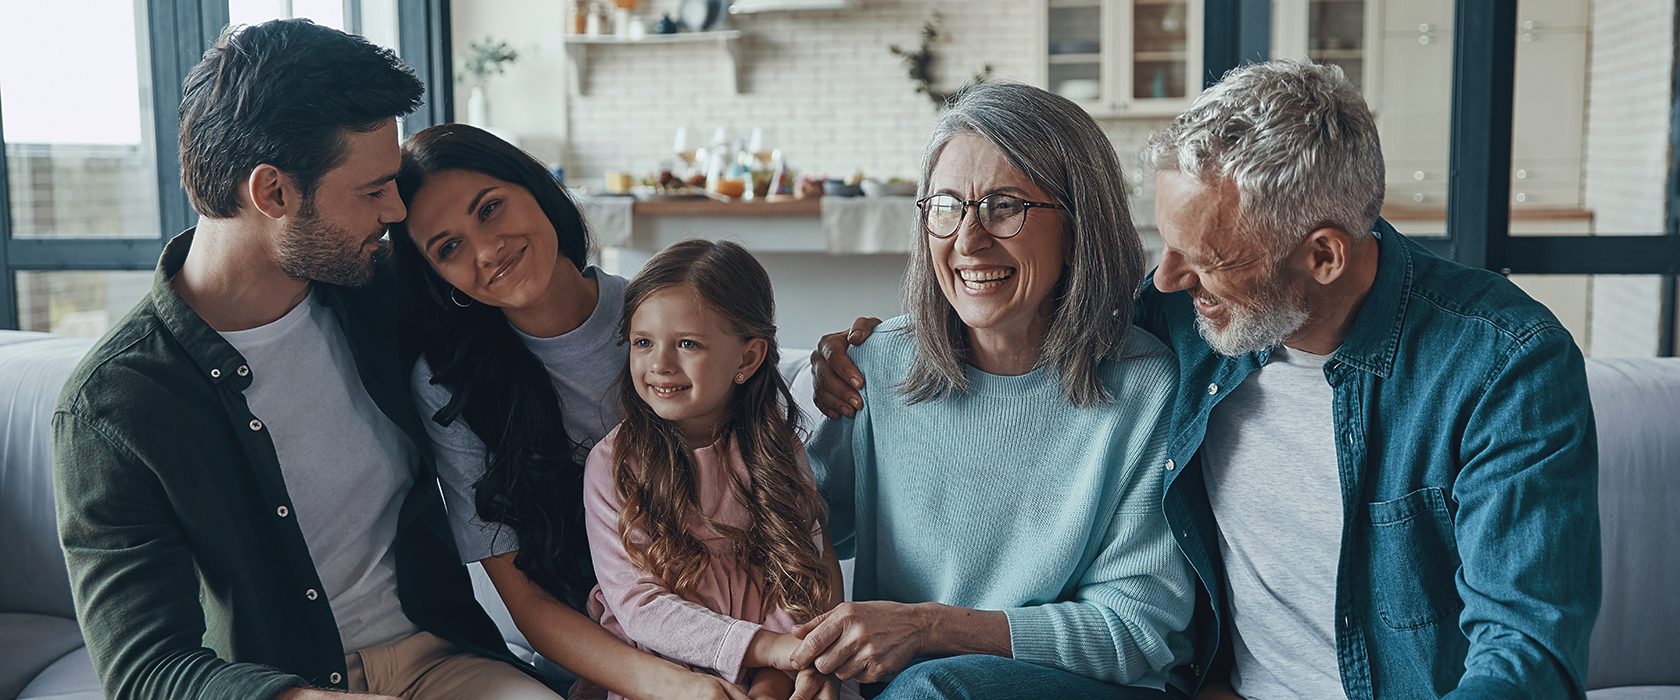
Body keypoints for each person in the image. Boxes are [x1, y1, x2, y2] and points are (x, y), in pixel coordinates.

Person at [814, 61, 1601, 698]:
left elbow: (1526, 655)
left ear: (1323, 256)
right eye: (1168, 242)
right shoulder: (1185, 323)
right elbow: (1039, 321)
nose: (1164, 279)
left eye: (1208, 257)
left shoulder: (1502, 365)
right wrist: (853, 361)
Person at [53, 20, 558, 700]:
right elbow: (146, 670)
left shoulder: (381, 292)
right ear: (273, 193)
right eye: (373, 191)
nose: (397, 210)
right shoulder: (114, 408)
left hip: (449, 662)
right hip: (288, 689)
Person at [796, 82, 1197, 699]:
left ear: (1077, 225)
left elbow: (1137, 633)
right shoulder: (875, 366)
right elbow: (793, 526)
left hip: (1083, 687)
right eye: (947, 206)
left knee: (932, 689)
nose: (968, 239)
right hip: (914, 692)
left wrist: (930, 628)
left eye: (1004, 206)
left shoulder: (1146, 387)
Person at [395, 125, 778, 699]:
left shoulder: (666, 315)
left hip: (758, 646)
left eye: (490, 209)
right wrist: (678, 688)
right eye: (448, 248)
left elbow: (789, 514)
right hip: (605, 670)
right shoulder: (450, 389)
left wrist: (776, 671)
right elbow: (528, 602)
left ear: (537, 189)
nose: (488, 250)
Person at [576, 239, 857, 700]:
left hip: (781, 668)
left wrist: (772, 682)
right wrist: (765, 648)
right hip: (663, 675)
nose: (660, 364)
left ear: (747, 358)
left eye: (687, 344)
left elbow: (801, 570)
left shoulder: (777, 449)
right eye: (643, 342)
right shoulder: (614, 465)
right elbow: (639, 605)